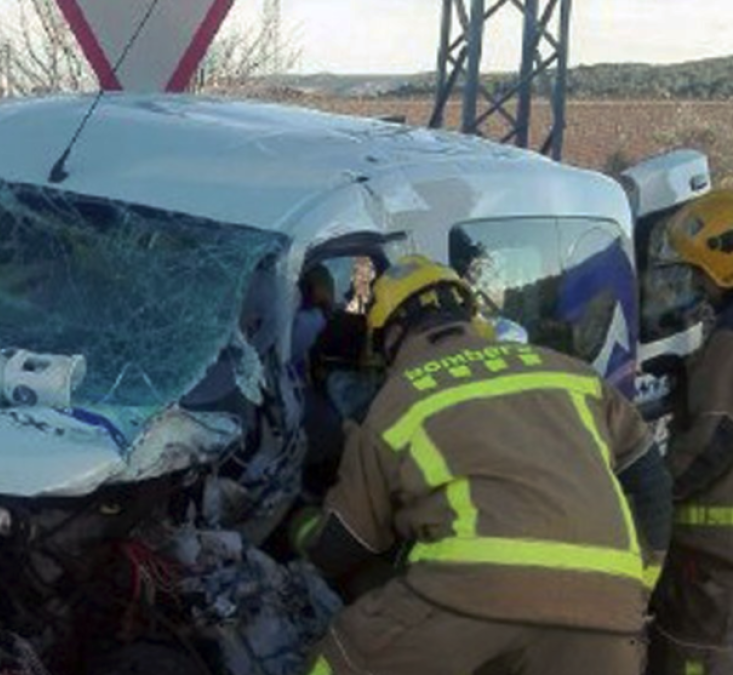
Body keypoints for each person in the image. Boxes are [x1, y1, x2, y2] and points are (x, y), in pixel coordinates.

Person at [292, 255, 672, 675]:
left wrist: (299, 526)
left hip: (471, 590)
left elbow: (345, 543)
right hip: (608, 602)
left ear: (394, 333)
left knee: (341, 660)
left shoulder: (396, 403)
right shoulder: (571, 374)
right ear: (471, 316)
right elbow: (651, 483)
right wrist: (638, 585)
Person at [651, 189, 733, 675]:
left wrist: (655, 494)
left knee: (696, 651)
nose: (696, 285)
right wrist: (688, 375)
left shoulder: (729, 343)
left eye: (698, 272)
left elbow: (713, 440)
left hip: (714, 557)